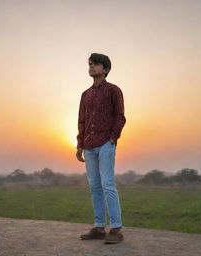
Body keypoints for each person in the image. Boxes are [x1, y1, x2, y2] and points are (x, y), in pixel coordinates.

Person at [76, 53, 126, 244]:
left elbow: (120, 117)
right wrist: (80, 144)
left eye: (95, 64)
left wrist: (112, 139)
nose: (91, 67)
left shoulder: (114, 90)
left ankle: (116, 229)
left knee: (108, 185)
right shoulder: (85, 95)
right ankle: (98, 227)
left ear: (105, 69)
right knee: (94, 186)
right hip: (88, 146)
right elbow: (81, 121)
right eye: (90, 64)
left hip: (105, 143)